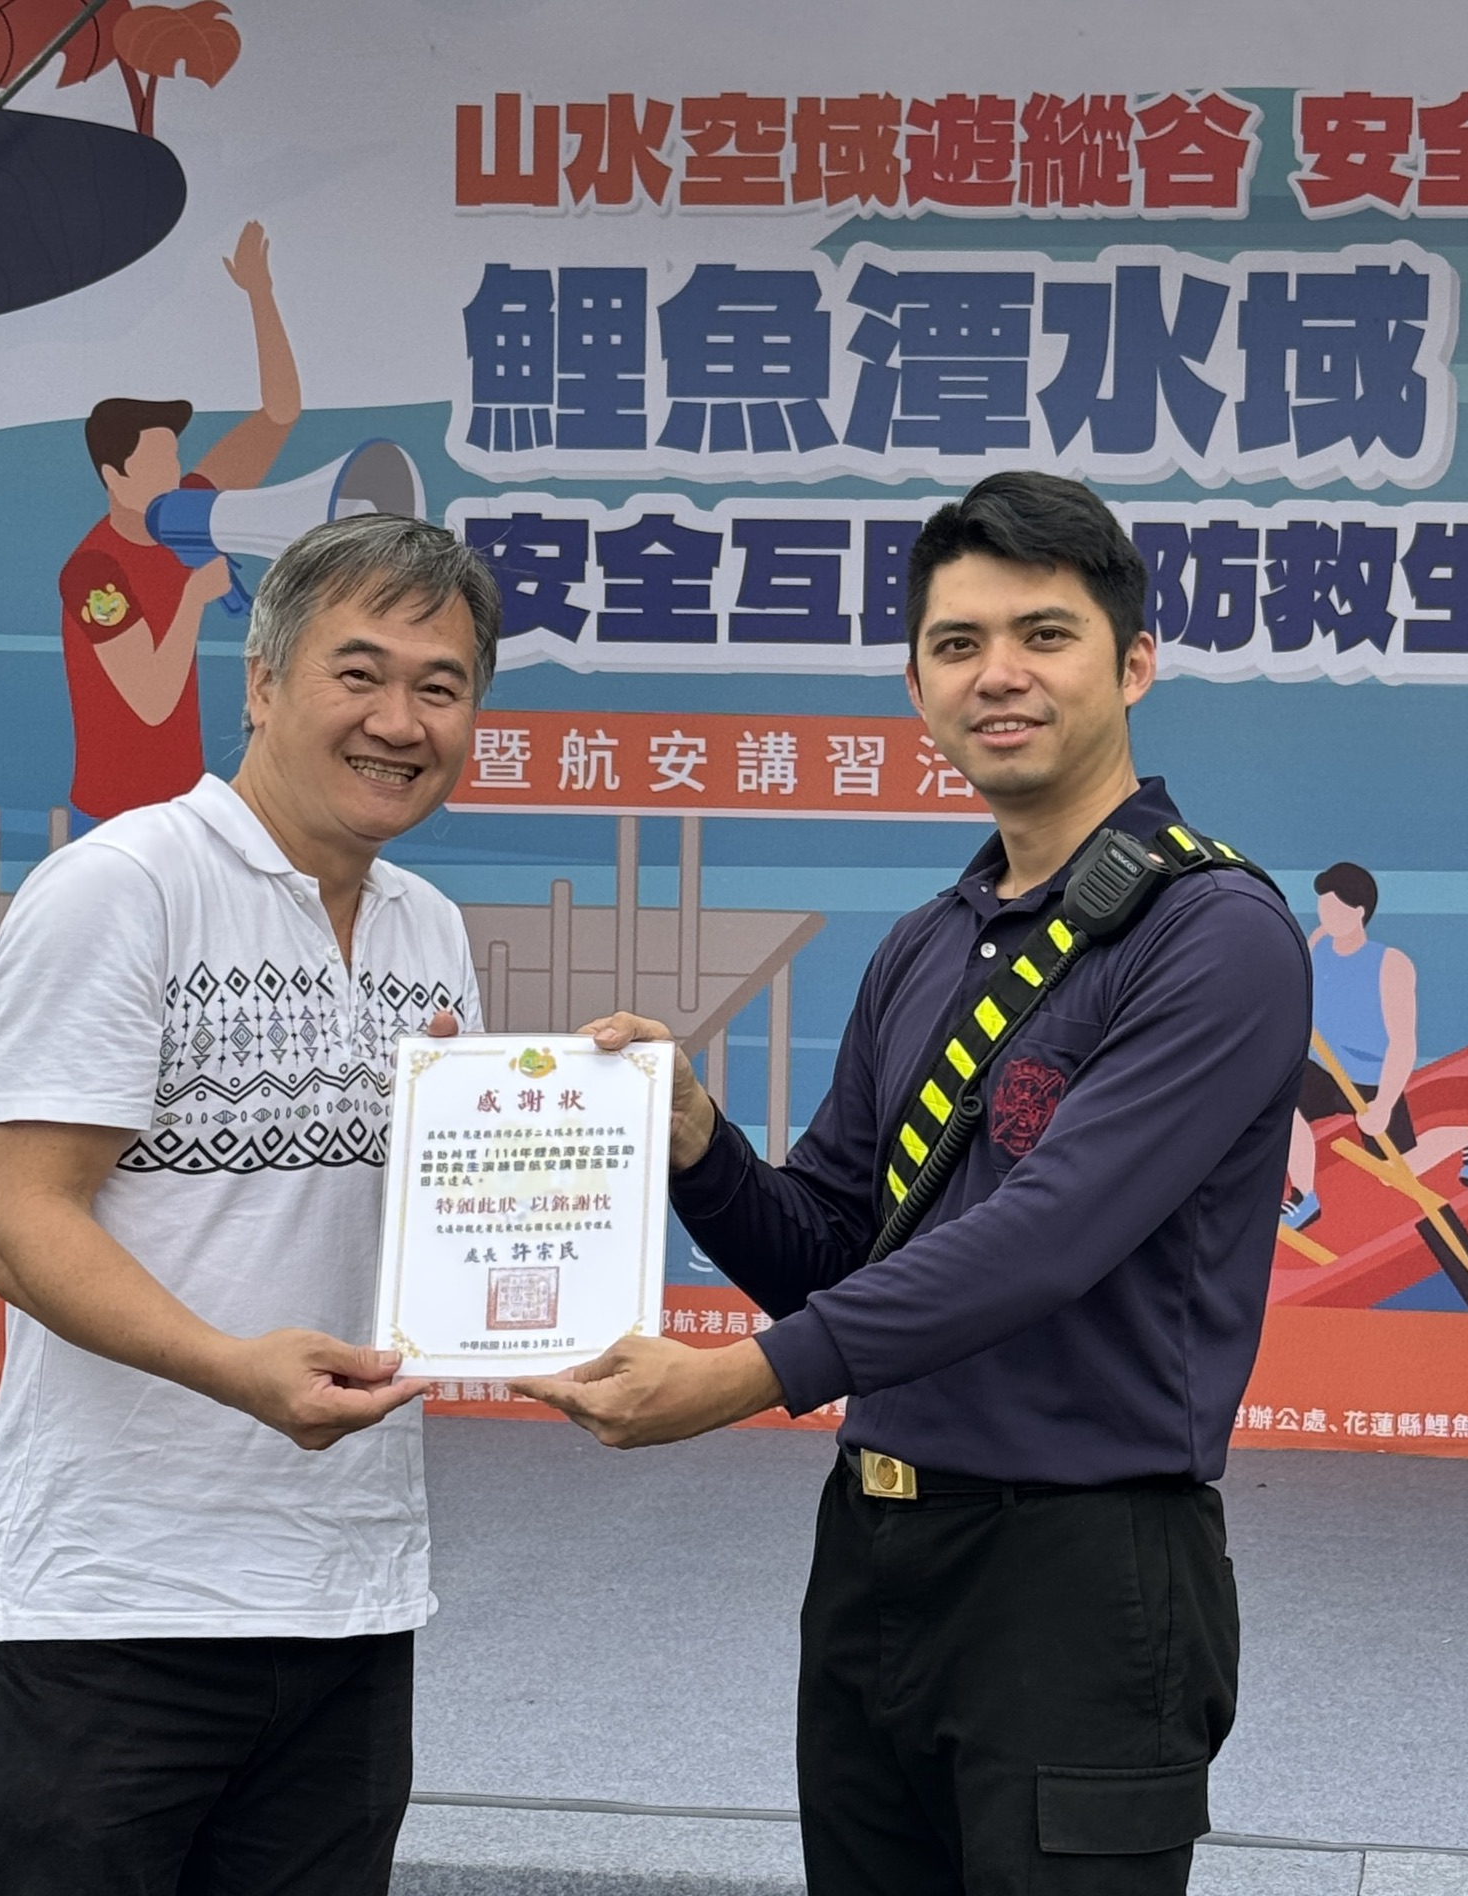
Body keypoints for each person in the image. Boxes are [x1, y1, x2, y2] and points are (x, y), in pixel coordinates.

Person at [514, 472, 1311, 1895]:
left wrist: (740, 1379)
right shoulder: (925, 945)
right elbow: (830, 1248)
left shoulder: (1213, 933)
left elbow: (1043, 1240)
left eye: (1043, 635)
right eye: (957, 644)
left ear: (1133, 663)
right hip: (873, 1555)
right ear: (915, 688)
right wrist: (695, 1144)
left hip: (1082, 1574)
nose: (997, 674)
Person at [0, 514, 500, 1894]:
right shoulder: (122, 889)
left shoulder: (429, 929)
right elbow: (23, 1226)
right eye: (358, 673)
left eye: (440, 687)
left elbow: (441, 1227)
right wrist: (228, 1367)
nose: (399, 722)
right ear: (260, 684)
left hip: (350, 1595)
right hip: (114, 1607)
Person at [58, 219, 302, 826]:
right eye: (156, 463)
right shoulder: (93, 571)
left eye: (173, 459)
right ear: (114, 477)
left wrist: (260, 295)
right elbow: (151, 698)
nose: (174, 474)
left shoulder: (183, 512)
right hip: (113, 815)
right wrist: (194, 596)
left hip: (183, 805)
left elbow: (279, 415)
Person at [1281, 860, 1468, 1231]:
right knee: (1283, 1108)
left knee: (1393, 1172)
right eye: (1323, 907)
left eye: (1334, 908)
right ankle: (1305, 1196)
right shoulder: (1318, 942)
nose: (1325, 915)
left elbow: (1402, 1044)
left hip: (1372, 1080)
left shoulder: (1391, 965)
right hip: (1323, 1068)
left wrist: (1382, 1105)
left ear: (1358, 912)